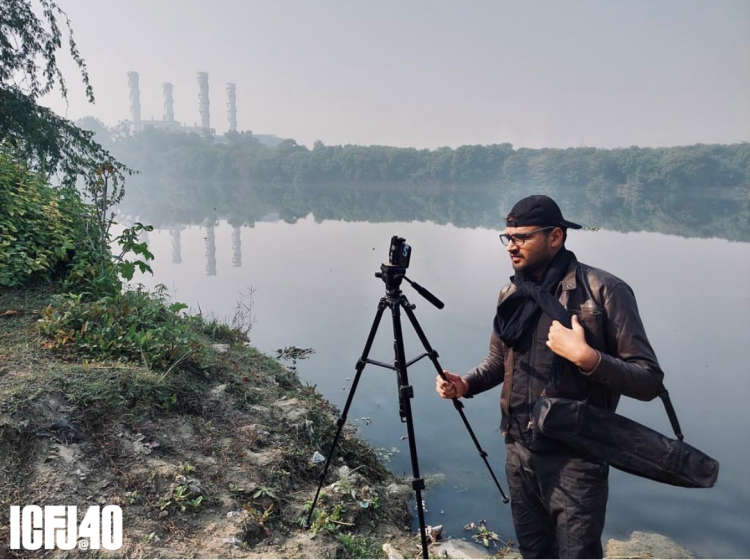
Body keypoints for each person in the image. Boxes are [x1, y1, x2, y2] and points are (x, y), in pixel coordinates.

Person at [436, 194, 664, 559]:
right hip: (518, 448)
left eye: (521, 237)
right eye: (507, 237)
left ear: (555, 236)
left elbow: (648, 379)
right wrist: (466, 384)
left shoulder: (604, 291)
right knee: (534, 551)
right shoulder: (511, 292)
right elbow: (499, 360)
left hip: (576, 455)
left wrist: (587, 357)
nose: (511, 246)